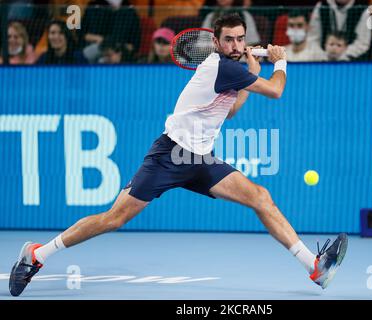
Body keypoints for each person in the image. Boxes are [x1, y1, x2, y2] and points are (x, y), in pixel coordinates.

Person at [8, 13, 348, 297]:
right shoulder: (223, 68)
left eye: (240, 39)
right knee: (114, 219)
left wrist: (251, 76)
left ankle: (314, 268)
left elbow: (229, 113)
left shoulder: (233, 71)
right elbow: (276, 91)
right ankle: (36, 254)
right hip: (169, 156)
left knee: (261, 197)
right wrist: (281, 62)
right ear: (215, 43)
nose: (236, 46)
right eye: (228, 39)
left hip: (199, 159)